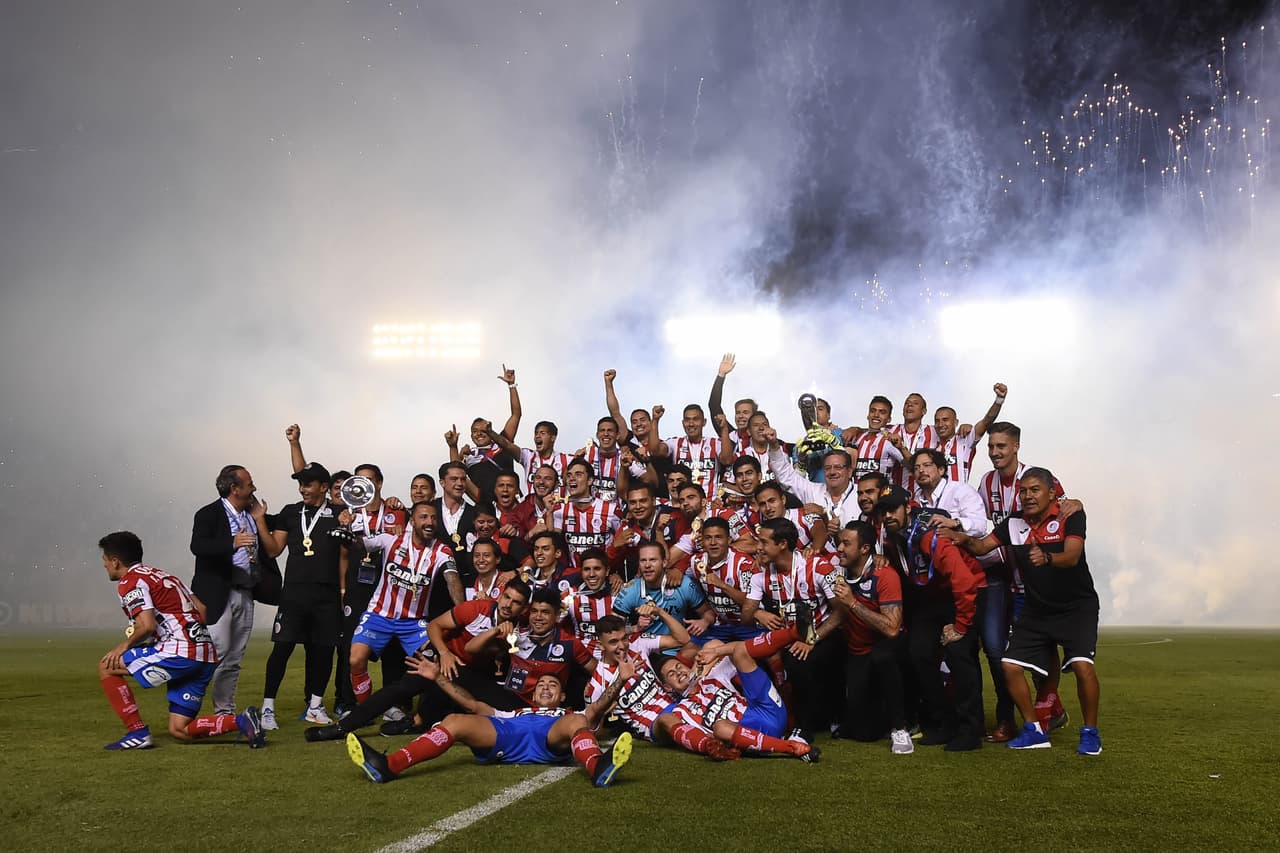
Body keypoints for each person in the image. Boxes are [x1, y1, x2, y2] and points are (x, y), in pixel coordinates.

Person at [942, 467, 1102, 755]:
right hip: (1036, 609)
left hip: (1075, 608)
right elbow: (982, 547)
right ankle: (1033, 730)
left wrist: (1048, 557)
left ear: (1052, 493)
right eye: (1023, 491)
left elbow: (1072, 556)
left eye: (1035, 490)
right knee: (1009, 666)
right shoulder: (1014, 523)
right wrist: (964, 539)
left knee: (1081, 666)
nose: (1027, 496)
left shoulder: (1070, 515)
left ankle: (1090, 733)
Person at [97, 531, 265, 750]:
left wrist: (123, 647)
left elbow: (146, 625)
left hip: (181, 652)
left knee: (107, 666)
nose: (105, 566)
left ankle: (137, 732)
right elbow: (202, 612)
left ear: (115, 561)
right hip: (205, 653)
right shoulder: (165, 576)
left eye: (105, 561)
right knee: (180, 730)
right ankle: (243, 721)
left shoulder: (130, 581)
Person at [347, 660, 633, 788]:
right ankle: (391, 765)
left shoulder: (567, 713)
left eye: (552, 685)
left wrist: (620, 678)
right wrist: (437, 678)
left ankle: (598, 768)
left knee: (578, 719)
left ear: (560, 695)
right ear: (533, 694)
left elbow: (597, 707)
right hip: (507, 735)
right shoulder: (515, 711)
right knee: (455, 719)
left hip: (549, 736)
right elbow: (472, 704)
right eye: (541, 685)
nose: (546, 688)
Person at [876, 486, 985, 752]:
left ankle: (970, 730)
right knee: (919, 652)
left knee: (960, 653)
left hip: (963, 595)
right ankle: (942, 724)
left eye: (893, 509)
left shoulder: (930, 534)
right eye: (884, 511)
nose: (888, 515)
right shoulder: (891, 537)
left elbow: (964, 580)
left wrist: (960, 625)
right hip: (932, 599)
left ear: (908, 508)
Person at [256, 461, 345, 729]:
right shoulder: (290, 512)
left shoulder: (341, 513)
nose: (302, 488)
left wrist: (350, 524)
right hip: (294, 593)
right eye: (300, 483)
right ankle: (267, 708)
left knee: (324, 651)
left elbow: (348, 549)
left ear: (324, 487)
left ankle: (315, 707)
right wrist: (261, 520)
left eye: (307, 483)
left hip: (327, 595)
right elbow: (273, 550)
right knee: (282, 648)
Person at [348, 501, 461, 704]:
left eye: (433, 518)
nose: (430, 522)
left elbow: (452, 579)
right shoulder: (391, 539)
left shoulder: (442, 551)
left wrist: (461, 611)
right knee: (356, 660)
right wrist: (347, 530)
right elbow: (359, 544)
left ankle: (425, 715)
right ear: (412, 521)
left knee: (434, 664)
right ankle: (363, 709)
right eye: (423, 517)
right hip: (379, 615)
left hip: (414, 623)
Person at [189, 464, 277, 716]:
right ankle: (187, 706)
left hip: (246, 592)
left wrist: (260, 519)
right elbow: (198, 546)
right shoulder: (208, 514)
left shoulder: (251, 514)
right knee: (215, 651)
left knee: (234, 658)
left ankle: (224, 712)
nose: (254, 488)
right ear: (234, 488)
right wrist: (232, 543)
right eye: (249, 484)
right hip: (218, 593)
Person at [754, 517, 844, 742]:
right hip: (790, 636)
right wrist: (758, 613)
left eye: (764, 542)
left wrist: (812, 640)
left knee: (798, 660)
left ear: (782, 544)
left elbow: (841, 612)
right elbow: (747, 612)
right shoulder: (761, 573)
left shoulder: (819, 567)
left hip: (826, 634)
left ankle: (805, 728)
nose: (758, 547)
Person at [657, 636, 817, 762]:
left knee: (740, 651)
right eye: (671, 674)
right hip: (747, 734)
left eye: (679, 667)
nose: (678, 672)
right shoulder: (682, 711)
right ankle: (790, 746)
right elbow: (702, 736)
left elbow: (729, 647)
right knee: (719, 727)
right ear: (668, 688)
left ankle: (794, 632)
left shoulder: (712, 675)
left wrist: (715, 653)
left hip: (767, 710)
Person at [827, 520, 911, 753]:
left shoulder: (885, 575)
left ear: (865, 549)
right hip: (857, 650)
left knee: (882, 657)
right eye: (839, 542)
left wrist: (853, 603)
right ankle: (846, 717)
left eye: (846, 543)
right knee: (864, 734)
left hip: (887, 647)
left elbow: (892, 629)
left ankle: (900, 728)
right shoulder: (837, 570)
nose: (840, 548)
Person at [612, 541, 713, 637]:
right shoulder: (630, 589)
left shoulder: (684, 584)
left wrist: (705, 621)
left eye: (653, 560)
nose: (647, 565)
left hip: (676, 646)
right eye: (643, 560)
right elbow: (611, 630)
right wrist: (635, 628)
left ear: (664, 563)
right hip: (643, 647)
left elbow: (708, 612)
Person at [933, 382, 1007, 483]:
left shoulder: (965, 440)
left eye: (945, 420)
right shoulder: (930, 446)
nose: (941, 424)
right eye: (937, 421)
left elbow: (986, 422)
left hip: (958, 498)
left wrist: (999, 400)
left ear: (956, 422)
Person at [909, 448, 988, 536]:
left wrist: (955, 523)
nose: (921, 470)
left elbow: (981, 526)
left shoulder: (961, 491)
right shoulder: (915, 499)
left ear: (941, 470)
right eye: (916, 468)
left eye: (927, 465)